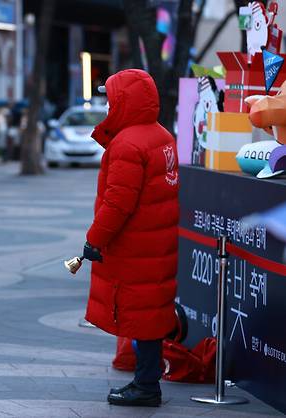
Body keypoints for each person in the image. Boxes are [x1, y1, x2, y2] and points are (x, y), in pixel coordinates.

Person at [82, 69, 179, 407]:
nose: (107, 105)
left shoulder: (127, 144)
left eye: (111, 98)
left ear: (124, 101)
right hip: (156, 242)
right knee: (150, 311)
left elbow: (118, 203)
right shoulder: (161, 135)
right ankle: (146, 380)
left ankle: (146, 385)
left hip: (136, 244)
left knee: (142, 314)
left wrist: (94, 240)